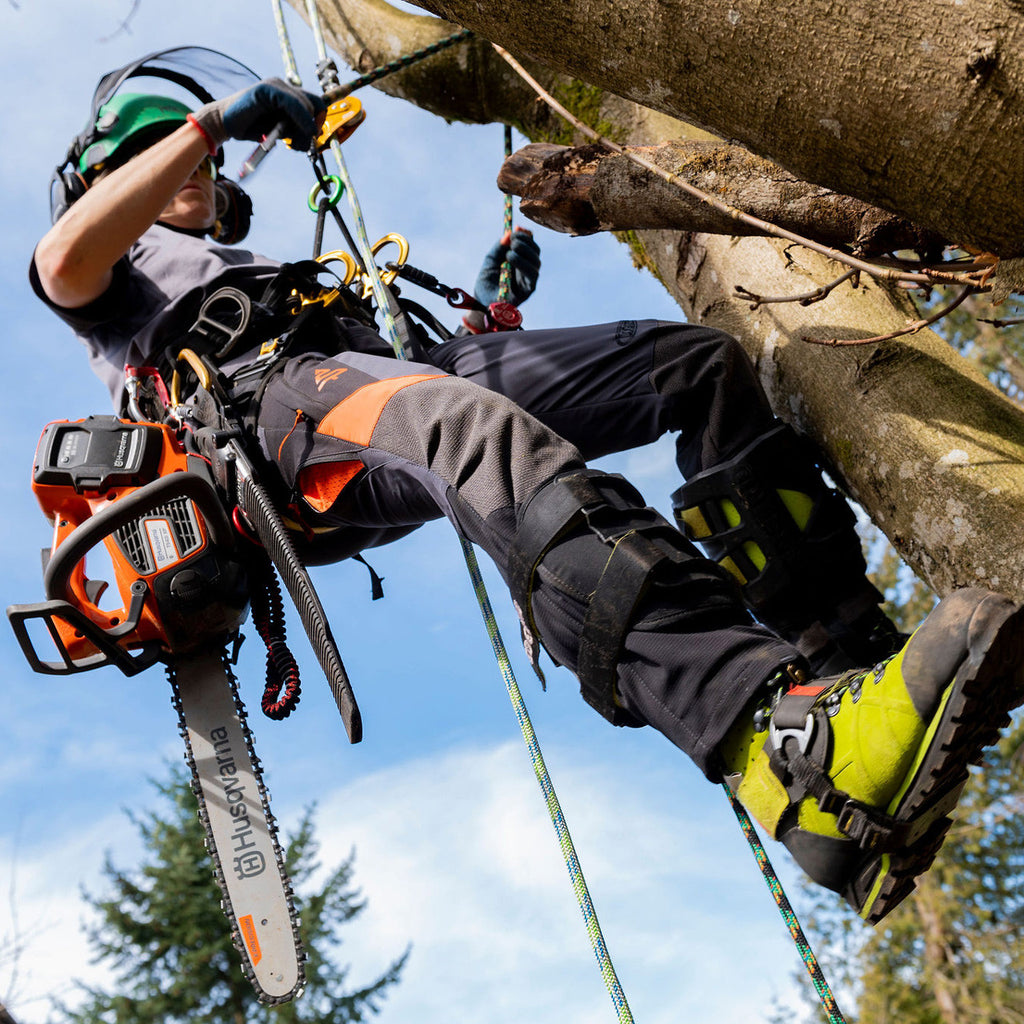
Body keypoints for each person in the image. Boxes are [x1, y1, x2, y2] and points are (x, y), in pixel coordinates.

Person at [31, 65, 1024, 926]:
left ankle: (845, 664)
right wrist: (209, 121)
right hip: (271, 413)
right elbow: (62, 260)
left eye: (193, 153)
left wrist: (496, 308)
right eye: (162, 153)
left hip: (385, 376)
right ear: (109, 178)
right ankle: (772, 748)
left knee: (694, 366)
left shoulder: (244, 259)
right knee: (475, 437)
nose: (192, 166)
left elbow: (406, 376)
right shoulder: (114, 283)